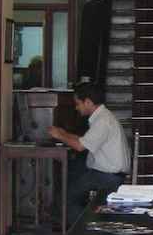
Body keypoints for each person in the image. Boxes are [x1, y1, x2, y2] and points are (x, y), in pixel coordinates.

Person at [48, 82, 130, 226]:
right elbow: (84, 141)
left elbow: (80, 146)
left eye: (78, 103)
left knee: (66, 197)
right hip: (106, 173)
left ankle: (87, 229)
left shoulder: (103, 121)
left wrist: (60, 136)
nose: (76, 107)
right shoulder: (102, 117)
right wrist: (63, 133)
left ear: (88, 102)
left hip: (108, 177)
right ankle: (89, 225)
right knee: (74, 172)